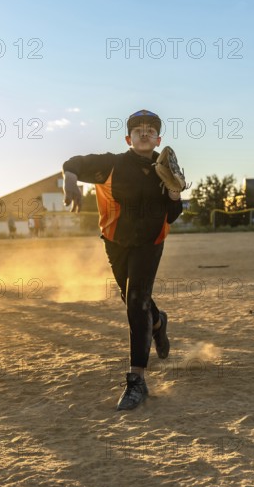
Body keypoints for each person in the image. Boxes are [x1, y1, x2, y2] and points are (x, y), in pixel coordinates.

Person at [62, 109, 184, 411]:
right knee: (130, 298)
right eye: (138, 129)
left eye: (151, 129)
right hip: (116, 242)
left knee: (136, 300)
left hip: (151, 242)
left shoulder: (165, 167)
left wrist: (173, 191)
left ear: (158, 138)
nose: (145, 132)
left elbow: (172, 214)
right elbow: (73, 163)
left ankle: (136, 380)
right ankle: (158, 322)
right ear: (129, 138)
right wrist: (70, 182)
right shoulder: (111, 164)